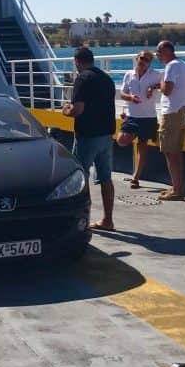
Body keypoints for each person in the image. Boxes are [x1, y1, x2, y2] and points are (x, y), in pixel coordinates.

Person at [62, 47, 116, 230]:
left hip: (88, 136)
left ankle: (79, 221)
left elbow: (78, 110)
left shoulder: (82, 78)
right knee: (106, 178)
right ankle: (108, 220)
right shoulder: (106, 79)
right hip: (106, 135)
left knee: (79, 178)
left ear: (77, 61)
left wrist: (66, 110)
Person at [150, 40, 185, 201]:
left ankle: (177, 190)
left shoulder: (171, 66)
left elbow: (167, 90)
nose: (157, 55)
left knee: (170, 152)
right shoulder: (183, 64)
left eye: (159, 51)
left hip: (172, 113)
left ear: (167, 50)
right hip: (181, 112)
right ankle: (177, 186)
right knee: (176, 152)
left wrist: (160, 82)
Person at [117, 50, 161, 189]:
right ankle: (133, 134)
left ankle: (135, 177)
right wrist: (130, 98)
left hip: (148, 117)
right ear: (137, 58)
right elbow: (122, 93)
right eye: (142, 58)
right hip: (132, 116)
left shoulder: (156, 74)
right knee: (121, 140)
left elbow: (167, 84)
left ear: (150, 63)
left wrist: (152, 87)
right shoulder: (129, 74)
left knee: (142, 146)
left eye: (147, 60)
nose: (143, 61)